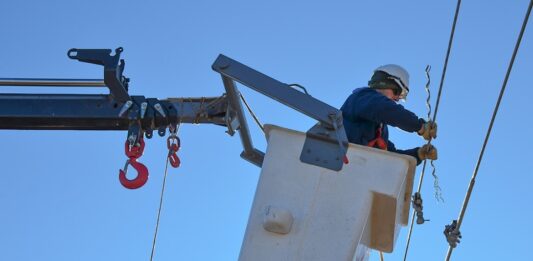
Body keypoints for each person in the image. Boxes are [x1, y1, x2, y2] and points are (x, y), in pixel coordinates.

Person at [340, 64, 437, 164]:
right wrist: (420, 126)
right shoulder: (362, 98)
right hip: (338, 161)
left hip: (356, 171)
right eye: (398, 93)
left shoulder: (380, 129)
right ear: (387, 83)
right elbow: (388, 110)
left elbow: (391, 157)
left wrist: (418, 154)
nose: (397, 99)